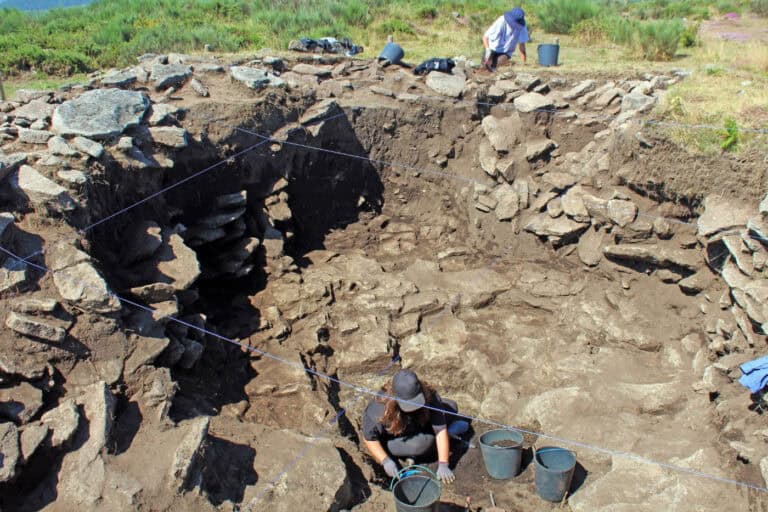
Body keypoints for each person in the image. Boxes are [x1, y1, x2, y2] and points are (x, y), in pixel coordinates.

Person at [361, 369, 469, 484]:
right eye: (408, 404)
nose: (413, 407)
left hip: (418, 423)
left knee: (452, 406)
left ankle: (446, 434)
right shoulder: (378, 409)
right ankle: (443, 437)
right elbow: (369, 438)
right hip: (397, 438)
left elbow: (440, 430)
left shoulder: (429, 394)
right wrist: (386, 461)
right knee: (423, 444)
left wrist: (443, 464)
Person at [482, 7, 529, 72]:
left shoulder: (522, 27)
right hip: (492, 49)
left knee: (495, 67)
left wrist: (523, 64)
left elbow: (522, 46)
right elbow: (485, 37)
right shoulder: (501, 21)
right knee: (485, 68)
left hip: (506, 52)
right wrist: (488, 51)